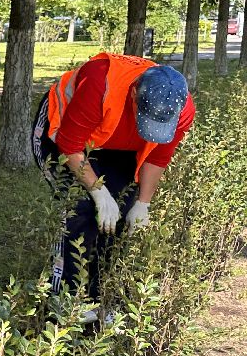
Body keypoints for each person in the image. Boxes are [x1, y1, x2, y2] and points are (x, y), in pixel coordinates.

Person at [32, 53, 194, 311]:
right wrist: (98, 191)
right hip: (67, 135)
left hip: (120, 146)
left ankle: (100, 297)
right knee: (80, 208)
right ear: (134, 96)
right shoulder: (101, 83)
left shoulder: (180, 107)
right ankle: (67, 299)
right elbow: (69, 145)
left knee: (122, 210)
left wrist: (143, 204)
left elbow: (158, 157)